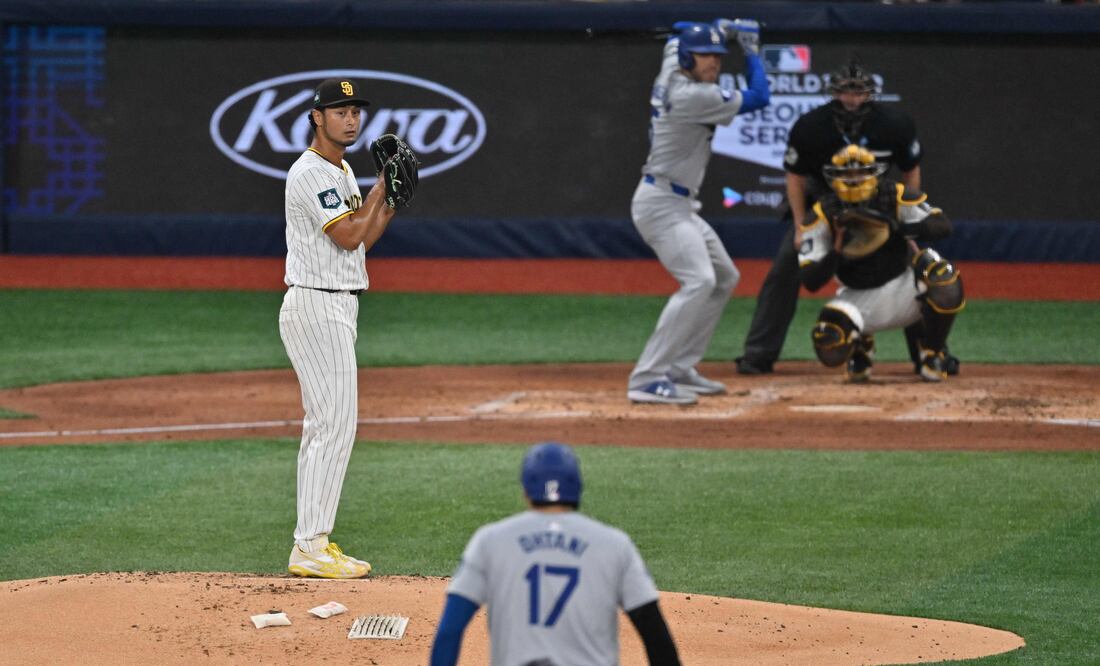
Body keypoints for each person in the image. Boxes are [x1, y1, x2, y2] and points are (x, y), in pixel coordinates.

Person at [736, 59, 960, 377]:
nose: (851, 100)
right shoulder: (811, 126)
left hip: (879, 204)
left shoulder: (895, 124)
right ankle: (758, 354)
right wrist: (801, 226)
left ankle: (930, 352)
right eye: (844, 92)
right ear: (833, 93)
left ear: (870, 94)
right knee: (787, 267)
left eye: (858, 93)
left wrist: (907, 218)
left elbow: (911, 171)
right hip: (828, 209)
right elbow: (795, 176)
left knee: (914, 268)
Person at [281, 78, 401, 579]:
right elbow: (350, 236)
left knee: (327, 426)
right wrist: (380, 188)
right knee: (334, 426)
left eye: (355, 111)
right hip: (316, 305)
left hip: (336, 306)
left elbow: (365, 236)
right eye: (339, 110)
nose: (350, 119)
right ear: (317, 117)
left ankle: (313, 541)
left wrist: (389, 199)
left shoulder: (342, 168)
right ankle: (310, 544)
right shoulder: (310, 173)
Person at [430, 442, 681, 666]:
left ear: (526, 491)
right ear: (578, 488)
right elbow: (655, 636)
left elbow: (449, 632)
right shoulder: (615, 545)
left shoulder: (490, 541)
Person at [627, 19, 771, 405]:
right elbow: (760, 96)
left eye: (718, 56)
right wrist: (752, 49)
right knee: (699, 281)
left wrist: (710, 28)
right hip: (661, 204)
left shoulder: (673, 61)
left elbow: (676, 36)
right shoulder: (694, 96)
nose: (716, 63)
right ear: (690, 57)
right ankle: (647, 376)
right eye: (708, 56)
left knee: (725, 277)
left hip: (678, 203)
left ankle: (679, 366)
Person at [798, 145, 965, 382]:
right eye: (846, 174)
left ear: (874, 173)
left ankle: (932, 354)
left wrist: (898, 227)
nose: (853, 179)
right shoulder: (822, 212)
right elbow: (810, 281)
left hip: (904, 290)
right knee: (829, 345)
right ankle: (861, 346)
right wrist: (836, 249)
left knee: (943, 277)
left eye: (860, 173)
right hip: (856, 297)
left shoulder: (894, 195)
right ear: (833, 177)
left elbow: (942, 225)